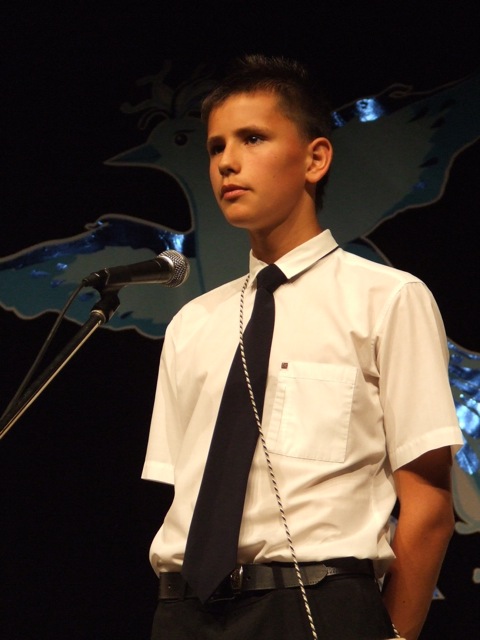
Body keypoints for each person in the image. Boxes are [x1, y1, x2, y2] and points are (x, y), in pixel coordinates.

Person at [142, 54, 463, 640]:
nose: (227, 162)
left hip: (315, 603)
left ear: (315, 158)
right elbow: (184, 496)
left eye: (252, 138)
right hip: (184, 610)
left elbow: (429, 504)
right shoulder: (192, 323)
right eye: (215, 147)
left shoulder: (387, 299)